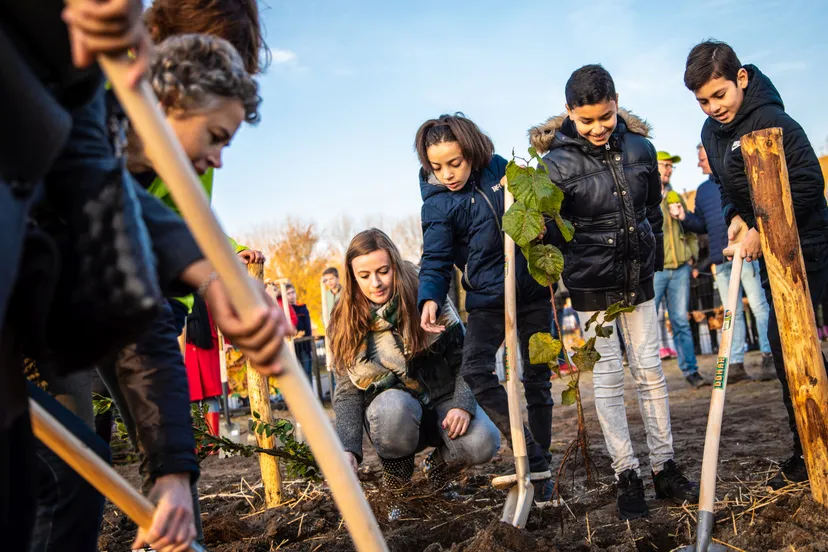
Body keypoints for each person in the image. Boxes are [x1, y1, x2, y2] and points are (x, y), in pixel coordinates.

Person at [0, 2, 288, 550]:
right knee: (68, 470)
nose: (220, 159)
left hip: (87, 304)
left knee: (77, 473)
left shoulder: (93, 132)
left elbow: (132, 272)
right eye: (216, 135)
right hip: (42, 307)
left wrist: (208, 274)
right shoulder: (77, 98)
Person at [528, 64, 699, 520]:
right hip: (591, 287)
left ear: (617, 102)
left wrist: (653, 261)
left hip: (638, 280)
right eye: (586, 121)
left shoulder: (641, 149)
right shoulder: (555, 166)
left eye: (605, 117)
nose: (598, 128)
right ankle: (627, 471)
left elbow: (650, 212)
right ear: (569, 114)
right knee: (605, 379)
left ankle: (664, 465)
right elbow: (554, 232)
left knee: (649, 371)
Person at [685, 39, 828, 489]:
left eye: (720, 94)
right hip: (772, 256)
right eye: (703, 101)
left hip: (811, 247)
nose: (713, 107)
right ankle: (808, 446)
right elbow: (728, 189)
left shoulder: (774, 120)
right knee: (785, 347)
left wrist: (760, 231)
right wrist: (736, 219)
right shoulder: (711, 134)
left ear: (741, 78)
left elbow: (808, 184)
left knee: (800, 343)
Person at [415, 113, 554, 503]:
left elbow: (539, 210)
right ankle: (531, 452)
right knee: (476, 370)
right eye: (437, 166)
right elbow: (437, 256)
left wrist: (542, 222)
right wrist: (429, 296)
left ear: (471, 151)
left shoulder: (501, 169)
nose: (448, 174)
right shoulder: (439, 203)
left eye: (455, 163)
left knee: (537, 380)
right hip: (488, 298)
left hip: (530, 288)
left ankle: (542, 476)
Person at [329, 229, 500, 520]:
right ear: (352, 276)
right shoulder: (345, 317)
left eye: (384, 271)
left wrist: (462, 403)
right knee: (393, 408)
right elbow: (347, 392)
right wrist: (347, 448)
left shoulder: (426, 292)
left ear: (395, 263)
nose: (376, 283)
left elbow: (465, 357)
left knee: (483, 441)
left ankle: (437, 470)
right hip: (394, 413)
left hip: (443, 400)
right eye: (365, 275)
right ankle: (397, 489)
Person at [669, 144, 775, 382]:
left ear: (714, 156)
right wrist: (684, 217)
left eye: (702, 158)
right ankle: (736, 363)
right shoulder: (704, 191)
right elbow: (702, 226)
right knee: (731, 313)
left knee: (759, 306)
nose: (699, 163)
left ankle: (769, 357)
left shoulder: (735, 180)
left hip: (746, 256)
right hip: (722, 260)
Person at [654, 151, 708, 388]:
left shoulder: (675, 197)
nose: (668, 170)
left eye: (670, 167)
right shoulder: (645, 196)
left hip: (680, 270)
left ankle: (691, 371)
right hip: (655, 270)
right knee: (647, 325)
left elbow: (691, 231)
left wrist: (691, 256)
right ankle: (649, 377)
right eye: (664, 165)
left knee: (681, 322)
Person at [287, 283, 314, 380]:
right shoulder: (286, 310)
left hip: (304, 346)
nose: (291, 295)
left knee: (307, 373)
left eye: (293, 292)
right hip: (292, 346)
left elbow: (308, 327)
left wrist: (308, 343)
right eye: (288, 293)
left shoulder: (302, 308)